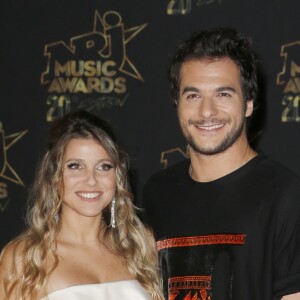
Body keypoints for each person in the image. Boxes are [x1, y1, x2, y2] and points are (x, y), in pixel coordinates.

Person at [142, 28, 300, 299]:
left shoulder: (284, 194)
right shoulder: (157, 192)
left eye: (223, 94)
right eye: (193, 95)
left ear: (249, 103)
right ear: (177, 103)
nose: (207, 111)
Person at [0, 110, 163, 300]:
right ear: (54, 174)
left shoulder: (142, 247)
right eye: (75, 166)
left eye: (104, 166)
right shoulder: (25, 258)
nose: (91, 181)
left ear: (117, 175)